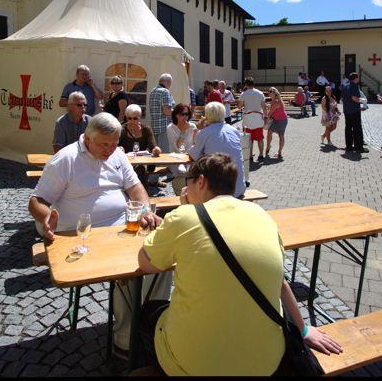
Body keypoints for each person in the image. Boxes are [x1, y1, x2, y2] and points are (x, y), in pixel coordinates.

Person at [136, 153, 343, 376]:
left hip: (195, 365)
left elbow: (146, 263)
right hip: (266, 362)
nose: (184, 191)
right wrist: (303, 330)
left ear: (201, 181)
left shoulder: (185, 216)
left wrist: (184, 208)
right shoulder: (261, 215)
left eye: (188, 184)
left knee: (147, 311)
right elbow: (280, 284)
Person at [29, 113, 171, 357]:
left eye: (115, 143)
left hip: (123, 228)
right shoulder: (66, 159)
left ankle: (152, 324)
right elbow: (37, 200)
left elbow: (136, 188)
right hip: (81, 236)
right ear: (86, 138)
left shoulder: (117, 154)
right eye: (104, 144)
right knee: (126, 274)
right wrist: (45, 218)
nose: (110, 149)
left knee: (163, 262)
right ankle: (125, 341)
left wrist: (146, 210)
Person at [187, 103, 246, 197]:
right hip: (239, 187)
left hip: (218, 193)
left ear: (207, 116)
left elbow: (193, 156)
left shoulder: (204, 133)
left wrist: (199, 130)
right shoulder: (234, 130)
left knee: (191, 178)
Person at [119, 104, 163, 188]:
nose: (132, 121)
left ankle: (142, 194)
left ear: (140, 117)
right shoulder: (122, 129)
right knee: (138, 170)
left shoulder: (146, 129)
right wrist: (119, 148)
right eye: (129, 118)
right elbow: (115, 146)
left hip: (141, 161)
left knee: (141, 168)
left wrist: (156, 149)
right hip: (125, 161)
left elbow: (153, 146)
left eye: (135, 118)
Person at [166, 103, 197, 194]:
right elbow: (177, 148)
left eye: (186, 114)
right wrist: (183, 131)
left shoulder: (192, 126)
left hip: (189, 157)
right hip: (175, 158)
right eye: (181, 114)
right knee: (183, 171)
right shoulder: (171, 128)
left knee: (196, 171)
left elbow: (195, 144)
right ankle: (180, 192)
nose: (184, 117)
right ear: (175, 115)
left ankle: (191, 194)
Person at [239, 77, 268, 162]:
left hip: (248, 119)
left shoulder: (243, 94)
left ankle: (250, 156)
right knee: (260, 138)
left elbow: (240, 106)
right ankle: (261, 155)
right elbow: (264, 107)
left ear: (246, 84)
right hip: (258, 118)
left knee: (249, 139)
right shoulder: (260, 93)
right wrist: (265, 117)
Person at [149, 73, 176, 153]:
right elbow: (167, 111)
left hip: (155, 125)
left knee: (157, 151)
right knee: (164, 152)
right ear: (167, 82)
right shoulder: (165, 91)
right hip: (164, 126)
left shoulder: (153, 91)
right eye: (170, 83)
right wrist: (177, 112)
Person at [342, 73, 368, 153]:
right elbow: (354, 98)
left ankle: (349, 147)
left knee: (348, 128)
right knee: (357, 129)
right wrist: (363, 101)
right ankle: (359, 148)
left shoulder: (345, 86)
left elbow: (344, 98)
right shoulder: (354, 86)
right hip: (354, 111)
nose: (358, 79)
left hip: (347, 110)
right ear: (355, 78)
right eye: (358, 78)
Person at [265, 88, 288, 160]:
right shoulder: (273, 101)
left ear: (275, 93)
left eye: (271, 92)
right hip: (275, 119)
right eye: (268, 92)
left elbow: (270, 113)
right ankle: (268, 147)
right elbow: (272, 111)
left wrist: (265, 119)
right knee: (269, 132)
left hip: (282, 120)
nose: (269, 93)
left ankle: (279, 152)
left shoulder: (277, 102)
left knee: (281, 135)